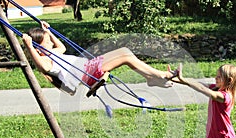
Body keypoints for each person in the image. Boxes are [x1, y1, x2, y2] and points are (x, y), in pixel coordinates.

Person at [22, 21, 179, 94]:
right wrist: (29, 46)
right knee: (125, 53)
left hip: (88, 67)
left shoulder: (52, 54)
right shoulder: (46, 61)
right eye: (47, 42)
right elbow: (41, 67)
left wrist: (48, 32)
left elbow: (61, 47)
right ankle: (160, 75)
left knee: (126, 54)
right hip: (87, 73)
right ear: (39, 48)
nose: (50, 43)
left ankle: (150, 78)